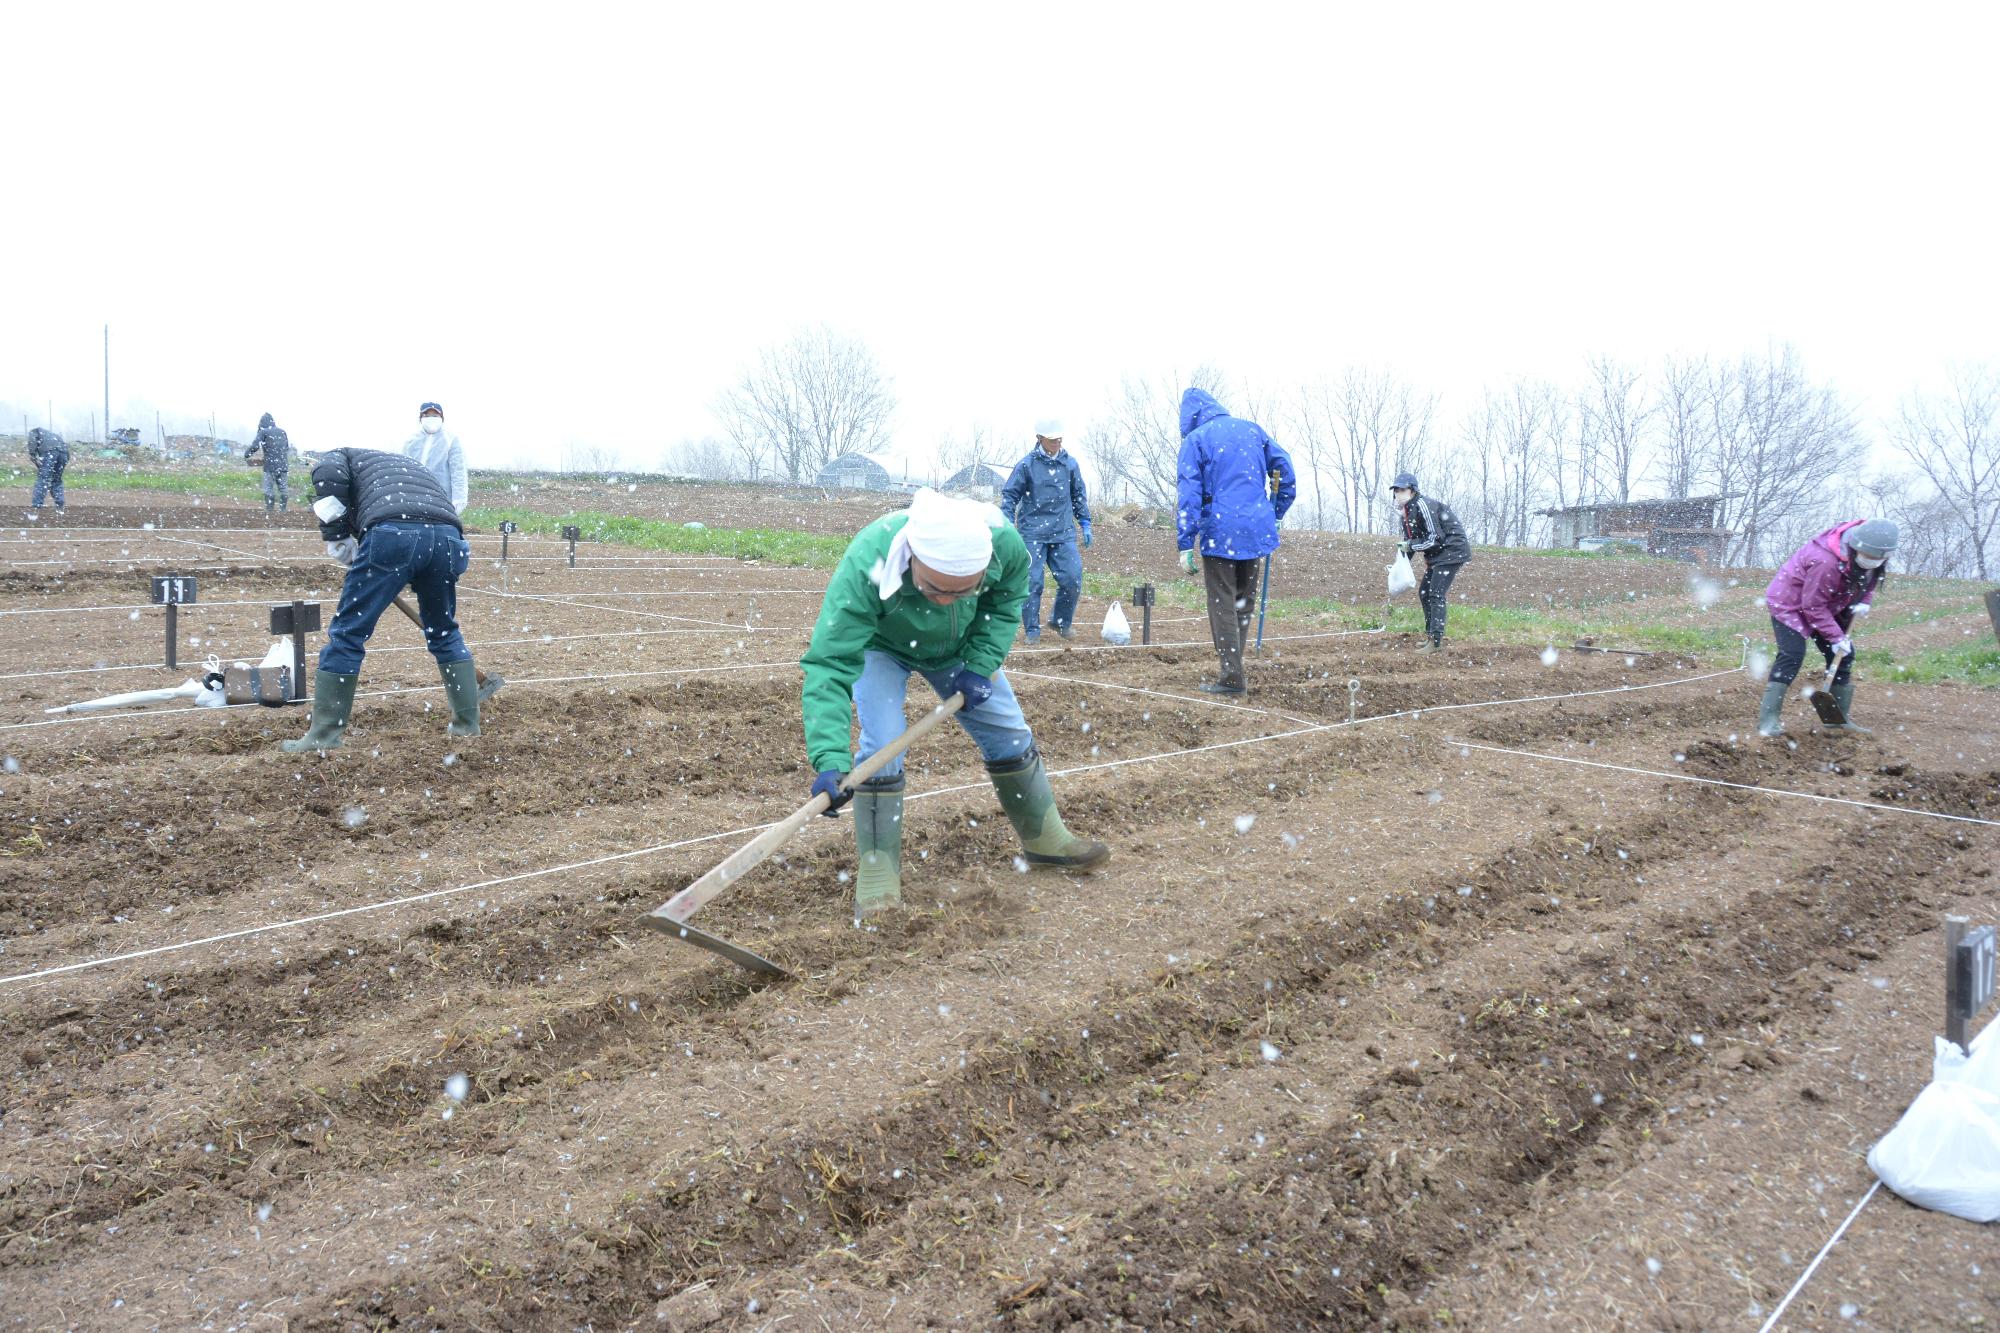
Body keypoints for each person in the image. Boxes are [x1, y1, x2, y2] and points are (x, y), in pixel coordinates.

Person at [800, 487, 1110, 917]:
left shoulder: (1003, 545)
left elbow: (1007, 600)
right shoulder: (869, 561)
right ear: (912, 559)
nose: (945, 599)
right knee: (883, 744)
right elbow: (830, 663)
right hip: (881, 646)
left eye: (962, 591)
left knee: (1008, 729)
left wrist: (981, 663)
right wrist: (830, 758)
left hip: (961, 647)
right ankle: (879, 871)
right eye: (934, 589)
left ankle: (1045, 839)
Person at [283, 447, 483, 753]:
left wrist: (337, 536)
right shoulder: (406, 467)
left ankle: (323, 736)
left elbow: (329, 478)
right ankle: (467, 726)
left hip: (394, 533)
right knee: (444, 630)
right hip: (448, 537)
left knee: (348, 633)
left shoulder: (338, 456)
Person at [1174, 388, 1296, 695]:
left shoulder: (1196, 440)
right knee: (1243, 600)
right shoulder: (1252, 430)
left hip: (1221, 529)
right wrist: (1275, 512)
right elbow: (1285, 469)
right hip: (1255, 528)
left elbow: (1189, 494)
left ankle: (1231, 677)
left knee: (1222, 602)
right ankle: (1233, 670)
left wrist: (1185, 542)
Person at [1758, 518, 1897, 739]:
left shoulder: (1871, 557)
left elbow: (1868, 580)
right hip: (1790, 604)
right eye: (1868, 557)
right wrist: (1835, 637)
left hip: (1826, 603)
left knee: (1844, 655)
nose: (1873, 562)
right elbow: (1812, 606)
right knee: (1792, 655)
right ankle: (1768, 721)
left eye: (1878, 559)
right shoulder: (1826, 561)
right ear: (1855, 548)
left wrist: (1864, 600)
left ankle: (1836, 720)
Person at [1000, 418, 1092, 644]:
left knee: (1072, 579)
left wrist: (1085, 522)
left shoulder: (1070, 465)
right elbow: (1010, 495)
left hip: (1063, 533)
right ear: (1039, 438)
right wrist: (1007, 522)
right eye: (1052, 439)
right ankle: (1032, 630)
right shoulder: (1026, 465)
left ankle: (1060, 621)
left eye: (1059, 438)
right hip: (1032, 533)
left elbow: (1078, 495)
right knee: (1032, 583)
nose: (1056, 442)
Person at [1391, 472, 1471, 651]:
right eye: (1396, 490)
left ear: (1412, 490)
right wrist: (1399, 566)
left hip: (1452, 550)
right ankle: (1430, 636)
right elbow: (1409, 543)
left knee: (1435, 594)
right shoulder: (1405, 514)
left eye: (1402, 490)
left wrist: (1411, 545)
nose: (1398, 493)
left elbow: (1435, 538)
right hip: (1438, 554)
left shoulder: (1423, 505)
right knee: (1425, 592)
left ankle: (1436, 641)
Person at [401, 402, 468, 514]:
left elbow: (458, 471)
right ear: (420, 418)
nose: (431, 419)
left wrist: (459, 499)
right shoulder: (411, 440)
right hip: (413, 496)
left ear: (442, 418)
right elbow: (402, 469)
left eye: (435, 415)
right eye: (426, 415)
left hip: (441, 497)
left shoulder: (450, 439)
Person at [246, 413, 292, 512]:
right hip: (283, 465)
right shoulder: (282, 432)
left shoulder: (263, 432)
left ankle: (269, 510)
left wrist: (247, 454)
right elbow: (286, 448)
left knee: (268, 488)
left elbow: (255, 446)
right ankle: (283, 510)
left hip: (270, 465)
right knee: (283, 488)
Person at [27, 427, 67, 511]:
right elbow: (67, 453)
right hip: (64, 453)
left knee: (43, 479)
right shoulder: (53, 435)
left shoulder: (34, 431)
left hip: (49, 451)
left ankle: (36, 506)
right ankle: (60, 504)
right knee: (56, 479)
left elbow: (32, 442)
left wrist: (32, 454)